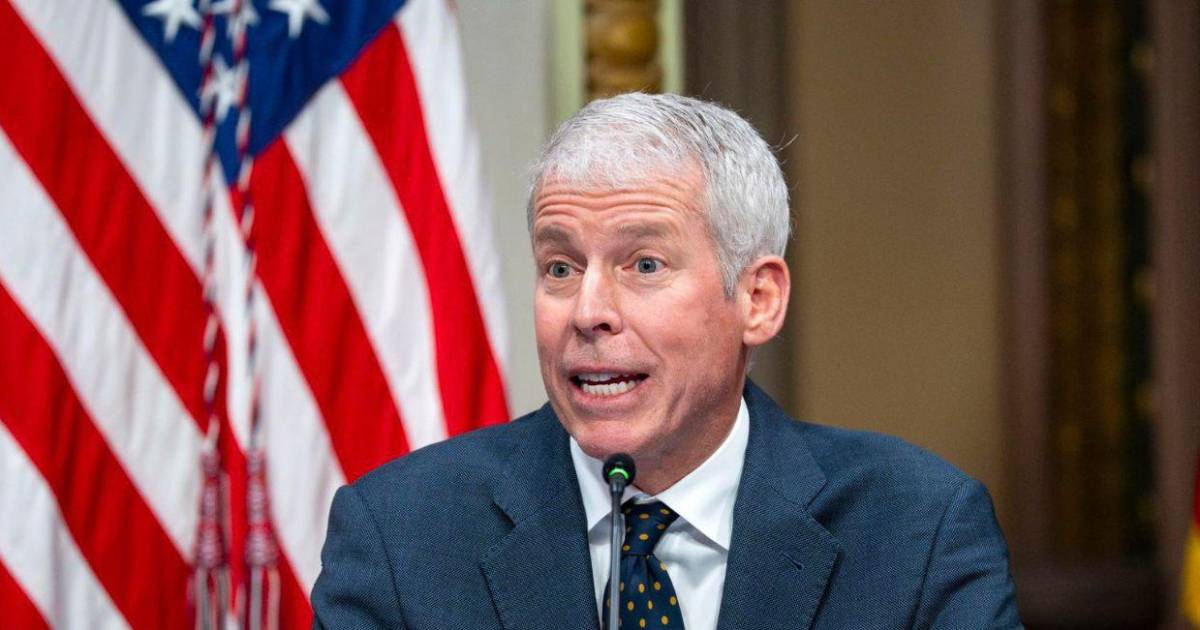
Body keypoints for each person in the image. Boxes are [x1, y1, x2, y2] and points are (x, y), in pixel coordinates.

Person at [310, 93, 1021, 629]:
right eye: (560, 268)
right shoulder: (403, 536)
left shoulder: (916, 532)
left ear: (758, 300)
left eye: (644, 264)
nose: (587, 311)